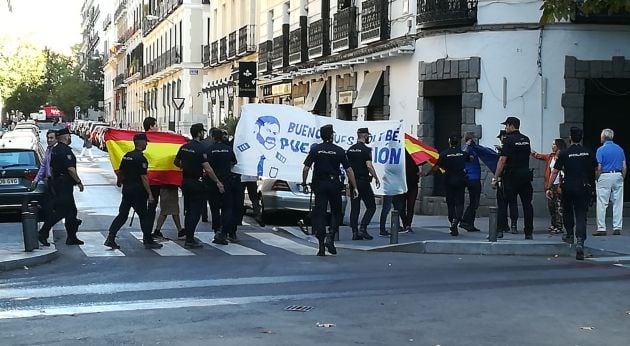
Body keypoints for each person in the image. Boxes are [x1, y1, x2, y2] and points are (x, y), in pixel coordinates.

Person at [302, 124, 358, 256]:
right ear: (331, 135)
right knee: (336, 212)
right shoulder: (339, 150)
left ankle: (321, 245)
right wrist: (354, 186)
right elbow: (349, 170)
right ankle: (331, 236)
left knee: (320, 213)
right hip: (334, 184)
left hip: (320, 184)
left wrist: (304, 183)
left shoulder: (316, 150)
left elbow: (306, 168)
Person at [104, 133, 163, 250]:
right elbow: (144, 178)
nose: (146, 144)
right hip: (138, 192)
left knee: (122, 215)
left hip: (127, 190)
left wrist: (119, 181)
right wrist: (150, 194)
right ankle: (148, 240)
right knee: (144, 216)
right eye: (145, 141)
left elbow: (120, 171)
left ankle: (110, 237)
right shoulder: (141, 158)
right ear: (140, 142)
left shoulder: (127, 156)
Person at [547, 127, 597, 260]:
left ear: (570, 138)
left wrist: (549, 187)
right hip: (583, 186)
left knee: (568, 211)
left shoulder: (564, 153)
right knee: (581, 214)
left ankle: (569, 234)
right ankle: (580, 240)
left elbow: (555, 171)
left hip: (568, 186)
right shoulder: (587, 152)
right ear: (581, 138)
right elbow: (596, 168)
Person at [174, 123, 224, 249]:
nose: (203, 134)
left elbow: (176, 161)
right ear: (199, 133)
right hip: (197, 182)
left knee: (189, 210)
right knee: (195, 212)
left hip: (185, 182)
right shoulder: (200, 149)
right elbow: (208, 169)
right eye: (202, 132)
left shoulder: (184, 147)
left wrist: (184, 166)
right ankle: (190, 239)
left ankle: (188, 236)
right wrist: (217, 182)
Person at [38, 128, 84, 246]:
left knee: (71, 212)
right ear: (65, 137)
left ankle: (71, 237)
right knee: (62, 211)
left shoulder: (56, 149)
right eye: (69, 136)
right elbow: (70, 169)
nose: (70, 138)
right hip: (64, 184)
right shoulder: (65, 151)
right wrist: (78, 181)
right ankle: (43, 232)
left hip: (57, 182)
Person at [493, 116, 534, 239]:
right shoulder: (526, 139)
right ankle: (528, 232)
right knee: (527, 205)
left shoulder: (508, 140)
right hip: (525, 176)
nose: (505, 128)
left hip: (511, 177)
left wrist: (496, 177)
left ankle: (500, 230)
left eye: (506, 125)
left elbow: (502, 159)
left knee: (503, 203)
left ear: (511, 125)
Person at [422, 133, 469, 236]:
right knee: (460, 203)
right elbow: (470, 158)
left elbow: (436, 167)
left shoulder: (444, 154)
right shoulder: (463, 153)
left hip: (449, 181)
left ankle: (452, 224)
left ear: (449, 142)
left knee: (450, 203)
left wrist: (427, 173)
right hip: (460, 180)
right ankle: (456, 222)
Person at [206, 128, 241, 244]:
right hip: (227, 182)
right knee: (227, 208)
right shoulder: (229, 150)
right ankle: (224, 231)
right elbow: (234, 162)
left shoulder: (209, 150)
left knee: (215, 208)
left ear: (212, 137)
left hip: (213, 182)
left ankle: (217, 230)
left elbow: (206, 165)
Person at [347, 127, 380, 240]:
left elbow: (348, 168)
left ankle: (355, 232)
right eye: (368, 136)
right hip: (363, 181)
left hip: (353, 182)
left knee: (354, 207)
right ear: (365, 136)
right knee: (371, 206)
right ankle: (363, 228)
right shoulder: (366, 150)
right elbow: (369, 166)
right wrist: (376, 177)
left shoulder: (350, 150)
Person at [594, 128, 626, 236]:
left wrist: (597, 178)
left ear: (603, 137)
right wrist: (622, 177)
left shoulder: (600, 150)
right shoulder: (620, 149)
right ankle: (617, 227)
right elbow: (624, 166)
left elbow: (599, 166)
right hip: (617, 174)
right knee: (618, 202)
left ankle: (601, 228)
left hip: (605, 175)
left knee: (602, 203)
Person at [532, 138, 567, 234]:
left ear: (558, 146)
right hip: (551, 184)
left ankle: (559, 226)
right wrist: (531, 151)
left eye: (554, 144)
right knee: (551, 205)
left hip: (559, 184)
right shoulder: (550, 156)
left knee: (559, 206)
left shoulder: (563, 156)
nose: (552, 146)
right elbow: (539, 156)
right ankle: (554, 224)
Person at [141, 117, 167, 240]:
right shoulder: (158, 139)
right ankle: (148, 235)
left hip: (143, 179)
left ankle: (146, 233)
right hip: (155, 180)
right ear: (151, 126)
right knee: (151, 208)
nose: (158, 127)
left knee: (143, 208)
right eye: (156, 125)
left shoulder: (141, 138)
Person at [493, 130, 518, 238]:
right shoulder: (513, 147)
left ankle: (505, 226)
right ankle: (511, 225)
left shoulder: (506, 149)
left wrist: (495, 178)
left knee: (504, 204)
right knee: (511, 203)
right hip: (511, 178)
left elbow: (502, 162)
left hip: (505, 179)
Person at [32, 130, 57, 222]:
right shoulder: (48, 149)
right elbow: (43, 166)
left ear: (56, 139)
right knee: (49, 205)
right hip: (49, 181)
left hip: (57, 181)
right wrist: (36, 179)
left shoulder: (58, 150)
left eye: (51, 138)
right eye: (48, 138)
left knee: (60, 206)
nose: (49, 140)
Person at [460, 132, 482, 233]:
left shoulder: (471, 148)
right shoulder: (467, 148)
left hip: (473, 177)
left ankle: (470, 224)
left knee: (475, 202)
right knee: (474, 202)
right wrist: (468, 144)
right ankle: (465, 221)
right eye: (474, 138)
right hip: (473, 178)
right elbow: (464, 155)